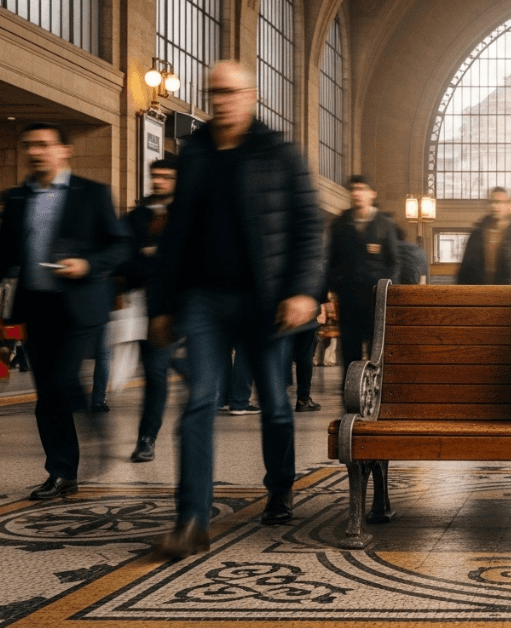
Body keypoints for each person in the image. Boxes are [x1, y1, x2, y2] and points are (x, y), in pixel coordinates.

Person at [147, 61, 324, 557]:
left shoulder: (280, 153)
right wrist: (161, 305)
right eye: (213, 92)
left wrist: (303, 290)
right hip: (204, 298)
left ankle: (281, 486)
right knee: (200, 401)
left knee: (274, 403)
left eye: (229, 92)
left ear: (251, 97)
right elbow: (176, 236)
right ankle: (192, 521)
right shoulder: (196, 151)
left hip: (264, 300)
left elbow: (310, 229)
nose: (219, 100)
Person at [0, 122, 130, 499]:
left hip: (80, 306)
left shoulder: (92, 194)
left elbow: (119, 246)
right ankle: (61, 471)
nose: (35, 151)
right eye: (29, 145)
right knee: (47, 394)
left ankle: (91, 436)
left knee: (60, 381)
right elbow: (2, 254)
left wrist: (87, 265)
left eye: (44, 144)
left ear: (64, 151)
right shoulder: (19, 198)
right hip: (37, 306)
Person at [119, 158, 180, 462]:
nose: (159, 182)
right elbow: (122, 257)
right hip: (139, 306)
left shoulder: (186, 216)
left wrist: (149, 254)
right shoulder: (135, 218)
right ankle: (146, 437)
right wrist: (155, 256)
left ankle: (147, 437)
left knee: (157, 373)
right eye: (155, 176)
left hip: (173, 308)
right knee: (154, 373)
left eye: (167, 177)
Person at [326, 175, 402, 378]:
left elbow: (393, 262)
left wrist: (385, 290)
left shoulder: (384, 224)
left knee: (377, 349)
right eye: (353, 189)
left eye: (361, 188)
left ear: (372, 194)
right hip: (348, 298)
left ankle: (378, 391)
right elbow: (331, 261)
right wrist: (332, 291)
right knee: (349, 349)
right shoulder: (340, 224)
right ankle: (350, 396)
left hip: (374, 299)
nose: (356, 193)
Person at [456, 187, 511, 285]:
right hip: (481, 296)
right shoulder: (476, 236)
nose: (495, 206)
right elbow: (464, 272)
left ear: (508, 205)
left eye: (499, 202)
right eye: (492, 202)